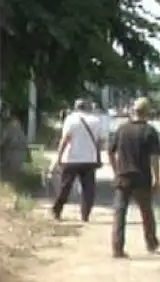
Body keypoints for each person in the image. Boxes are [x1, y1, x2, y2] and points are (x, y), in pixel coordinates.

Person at [107, 97, 159, 258]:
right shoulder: (150, 131)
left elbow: (110, 151)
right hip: (142, 177)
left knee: (120, 212)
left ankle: (117, 247)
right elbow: (154, 158)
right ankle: (151, 243)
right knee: (146, 211)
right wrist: (157, 177)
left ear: (132, 111)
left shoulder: (121, 129)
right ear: (147, 112)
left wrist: (116, 169)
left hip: (123, 176)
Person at [50, 99, 106, 222]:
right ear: (87, 107)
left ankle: (57, 210)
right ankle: (85, 214)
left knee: (65, 187)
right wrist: (95, 151)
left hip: (71, 159)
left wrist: (58, 157)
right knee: (88, 189)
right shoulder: (96, 121)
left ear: (75, 107)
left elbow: (65, 139)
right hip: (89, 160)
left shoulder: (70, 119)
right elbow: (101, 141)